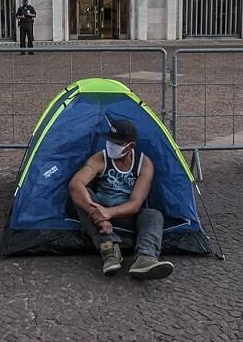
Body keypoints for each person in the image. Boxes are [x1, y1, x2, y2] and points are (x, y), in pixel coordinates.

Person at [67, 119, 174, 281]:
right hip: (99, 216)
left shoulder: (144, 164)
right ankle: (108, 249)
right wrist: (98, 215)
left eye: (117, 143)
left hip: (126, 214)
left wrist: (109, 213)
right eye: (110, 141)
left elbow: (135, 203)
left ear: (130, 146)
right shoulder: (100, 159)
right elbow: (76, 184)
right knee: (82, 194)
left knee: (154, 215)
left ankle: (145, 258)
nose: (111, 145)